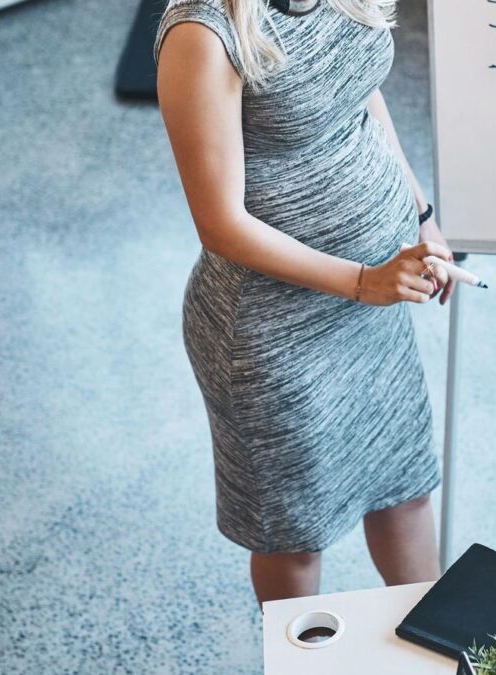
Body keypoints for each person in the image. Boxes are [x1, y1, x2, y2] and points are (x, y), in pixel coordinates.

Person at [154, 0, 452, 605]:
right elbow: (220, 224)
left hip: (370, 310)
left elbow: (359, 92)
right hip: (273, 334)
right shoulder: (203, 33)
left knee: (404, 488)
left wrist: (422, 216)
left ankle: (438, 642)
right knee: (295, 537)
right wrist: (364, 280)